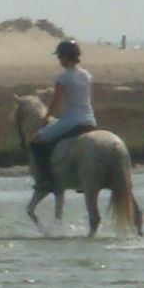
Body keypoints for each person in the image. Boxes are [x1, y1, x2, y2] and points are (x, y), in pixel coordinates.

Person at [28, 39, 97, 192]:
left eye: (60, 57)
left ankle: (45, 180)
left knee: (35, 142)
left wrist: (46, 119)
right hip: (90, 119)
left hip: (71, 121)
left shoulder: (63, 78)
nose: (59, 60)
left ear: (65, 57)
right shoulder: (86, 75)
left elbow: (55, 103)